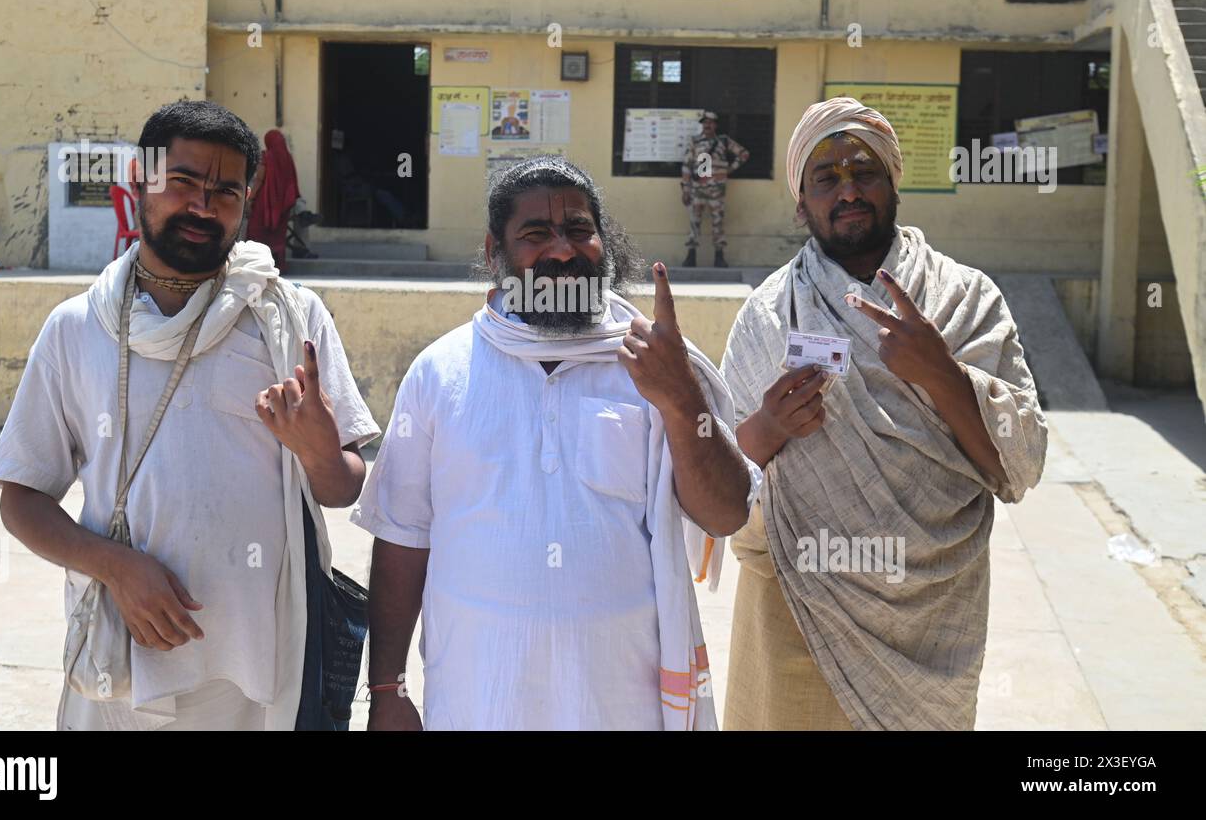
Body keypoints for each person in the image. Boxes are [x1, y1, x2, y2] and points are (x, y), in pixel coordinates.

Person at [0, 100, 380, 730]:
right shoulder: (76, 328)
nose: (203, 205)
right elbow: (20, 498)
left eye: (226, 190)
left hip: (260, 674)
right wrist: (115, 567)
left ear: (246, 202)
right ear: (139, 181)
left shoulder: (289, 318)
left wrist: (318, 452)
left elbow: (340, 488)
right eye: (184, 182)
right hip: (121, 666)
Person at [352, 156, 763, 730]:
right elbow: (401, 540)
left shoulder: (654, 365)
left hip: (620, 703)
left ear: (603, 242)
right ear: (495, 252)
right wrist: (387, 688)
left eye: (578, 229)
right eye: (536, 233)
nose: (563, 250)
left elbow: (724, 513)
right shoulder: (439, 373)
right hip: (477, 698)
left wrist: (680, 398)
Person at [720, 97, 1047, 730]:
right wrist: (768, 427)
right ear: (801, 202)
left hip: (932, 617)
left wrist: (940, 372)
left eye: (863, 171)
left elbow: (1018, 466)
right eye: (827, 177)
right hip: (795, 601)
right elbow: (722, 477)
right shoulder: (767, 315)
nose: (848, 190)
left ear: (893, 180)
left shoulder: (966, 299)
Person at [680, 110, 749, 269]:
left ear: (715, 125)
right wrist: (685, 188)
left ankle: (719, 257)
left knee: (718, 223)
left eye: (710, 122)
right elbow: (686, 165)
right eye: (705, 123)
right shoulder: (695, 142)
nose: (707, 125)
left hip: (717, 191)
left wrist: (729, 169)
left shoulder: (723, 141)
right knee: (694, 222)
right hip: (697, 190)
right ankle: (691, 257)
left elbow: (743, 154)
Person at [246, 129, 300, 273]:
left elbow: (259, 179)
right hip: (282, 205)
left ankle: (256, 266)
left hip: (264, 203)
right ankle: (279, 266)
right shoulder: (287, 158)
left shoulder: (266, 157)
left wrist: (250, 199)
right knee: (278, 236)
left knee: (256, 231)